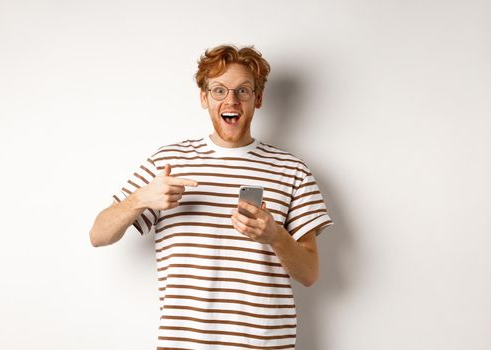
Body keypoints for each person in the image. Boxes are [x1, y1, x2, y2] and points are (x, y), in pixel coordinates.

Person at [89, 44, 334, 349]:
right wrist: (140, 199)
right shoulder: (169, 163)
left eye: (243, 91)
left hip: (265, 344)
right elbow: (98, 235)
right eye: (219, 90)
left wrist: (275, 236)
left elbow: (310, 273)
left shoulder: (292, 170)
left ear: (257, 98)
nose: (231, 100)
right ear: (204, 97)